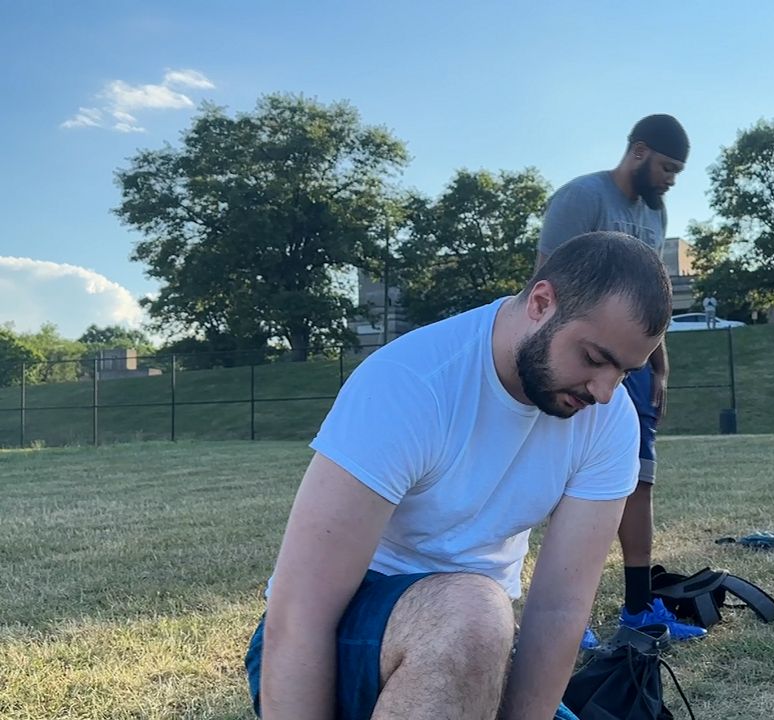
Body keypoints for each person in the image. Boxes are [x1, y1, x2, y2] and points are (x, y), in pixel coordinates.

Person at [246, 232, 672, 720]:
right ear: (541, 303)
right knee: (473, 616)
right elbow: (301, 609)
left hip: (481, 648)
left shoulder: (609, 418)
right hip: (347, 636)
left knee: (479, 622)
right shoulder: (411, 383)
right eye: (594, 359)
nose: (603, 390)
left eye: (625, 372)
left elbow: (559, 609)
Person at [536, 114, 705, 647]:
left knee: (639, 480)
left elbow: (649, 305)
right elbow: (543, 286)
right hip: (580, 359)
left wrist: (658, 363)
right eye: (667, 167)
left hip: (632, 372)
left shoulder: (655, 215)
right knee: (565, 478)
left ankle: (637, 607)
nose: (671, 179)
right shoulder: (581, 198)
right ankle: (559, 615)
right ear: (638, 152)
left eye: (677, 172)